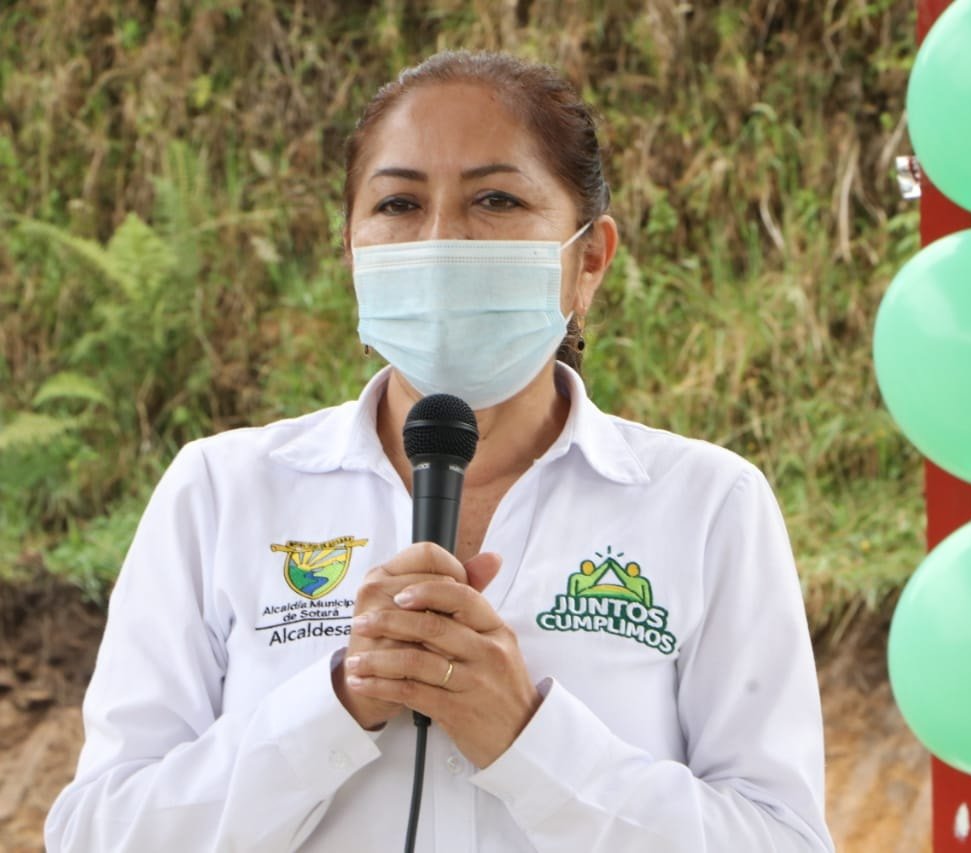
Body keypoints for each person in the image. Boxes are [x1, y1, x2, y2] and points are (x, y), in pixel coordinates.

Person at [45, 50, 834, 852]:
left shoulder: (706, 505)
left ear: (588, 259)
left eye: (496, 198)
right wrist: (335, 704)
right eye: (398, 203)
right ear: (353, 251)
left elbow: (785, 838)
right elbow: (98, 832)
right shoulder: (221, 492)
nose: (441, 240)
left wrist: (529, 742)